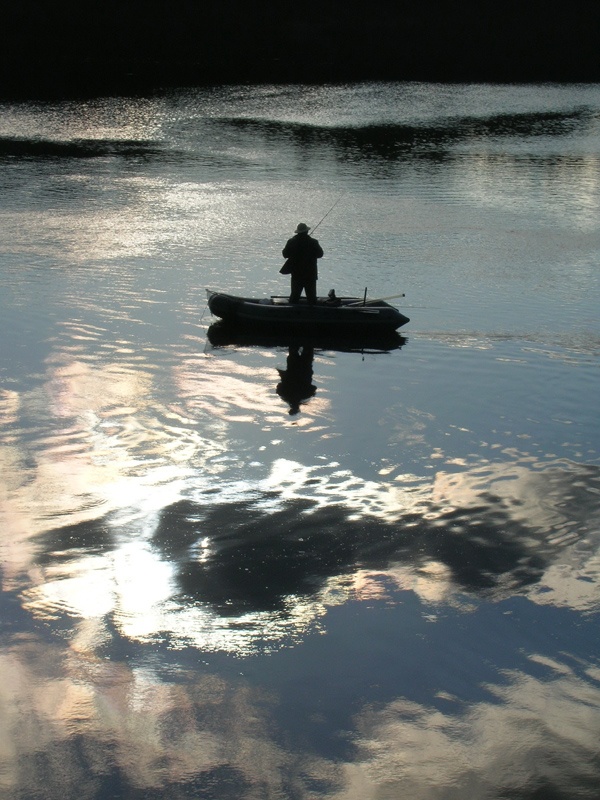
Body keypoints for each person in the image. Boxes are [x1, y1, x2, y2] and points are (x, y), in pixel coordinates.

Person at [282, 222, 324, 304]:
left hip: (296, 273)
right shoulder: (313, 242)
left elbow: (285, 254)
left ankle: (291, 313)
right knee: (311, 297)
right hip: (310, 274)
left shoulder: (291, 241)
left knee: (294, 296)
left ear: (298, 232)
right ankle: (313, 313)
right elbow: (320, 254)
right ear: (307, 232)